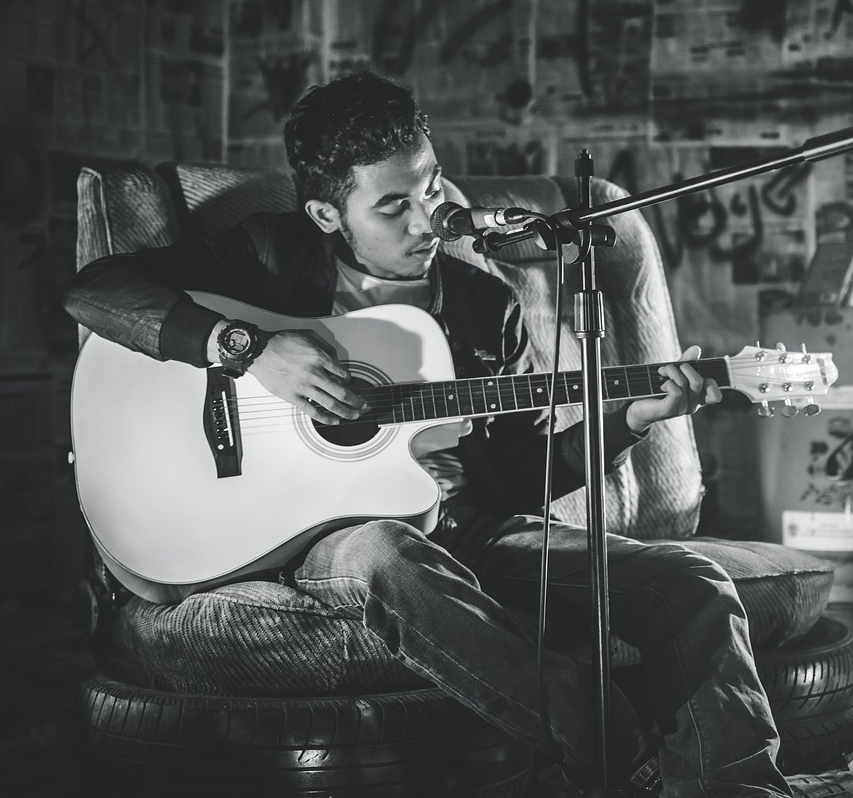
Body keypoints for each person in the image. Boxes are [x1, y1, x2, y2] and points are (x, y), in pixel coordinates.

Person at [64, 72, 794, 798]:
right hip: (335, 538)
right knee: (389, 550)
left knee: (693, 584)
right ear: (326, 212)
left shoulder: (482, 300)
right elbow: (95, 291)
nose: (428, 220)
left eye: (432, 187)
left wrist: (627, 420)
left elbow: (514, 475)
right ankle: (615, 751)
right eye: (394, 206)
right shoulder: (269, 256)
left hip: (467, 530)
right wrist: (248, 348)